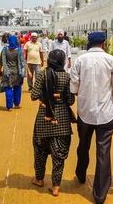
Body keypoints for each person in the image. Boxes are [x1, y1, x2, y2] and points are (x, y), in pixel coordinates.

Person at [71, 32, 113, 204]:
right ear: (103, 43)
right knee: (103, 152)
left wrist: (86, 95)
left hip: (85, 112)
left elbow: (74, 88)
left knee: (83, 145)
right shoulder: (111, 60)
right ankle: (99, 194)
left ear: (89, 43)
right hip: (106, 113)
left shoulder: (79, 60)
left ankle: (80, 173)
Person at [30, 49, 75, 196]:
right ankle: (56, 187)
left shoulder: (43, 74)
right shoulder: (66, 77)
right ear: (62, 61)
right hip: (61, 121)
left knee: (40, 150)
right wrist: (58, 98)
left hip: (44, 119)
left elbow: (34, 95)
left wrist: (46, 98)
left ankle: (39, 179)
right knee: (59, 155)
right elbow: (70, 100)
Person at [0, 35, 25, 110]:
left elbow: (1, 60)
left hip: (7, 72)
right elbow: (22, 62)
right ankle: (17, 104)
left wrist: (0, 70)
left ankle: (9, 106)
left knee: (8, 88)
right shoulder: (19, 50)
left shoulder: (5, 49)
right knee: (17, 87)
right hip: (17, 71)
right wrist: (22, 72)